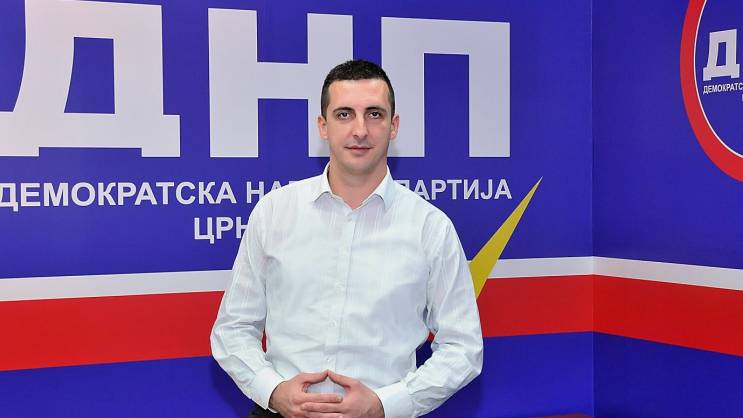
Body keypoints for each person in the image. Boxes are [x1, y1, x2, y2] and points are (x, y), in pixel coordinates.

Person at [211, 59, 483, 418]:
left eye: (374, 114)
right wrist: (273, 391)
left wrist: (385, 404)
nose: (360, 130)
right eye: (344, 115)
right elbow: (233, 329)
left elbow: (463, 348)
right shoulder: (274, 212)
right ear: (322, 126)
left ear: (394, 125)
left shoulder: (430, 228)